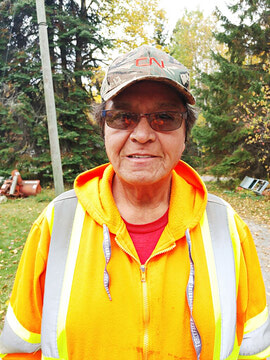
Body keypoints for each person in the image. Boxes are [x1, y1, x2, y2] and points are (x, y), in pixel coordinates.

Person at [0, 45, 269, 360]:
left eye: (164, 118)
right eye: (123, 117)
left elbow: (255, 350)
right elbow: (20, 348)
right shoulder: (57, 223)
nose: (142, 134)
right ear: (104, 128)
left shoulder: (227, 228)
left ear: (185, 133)